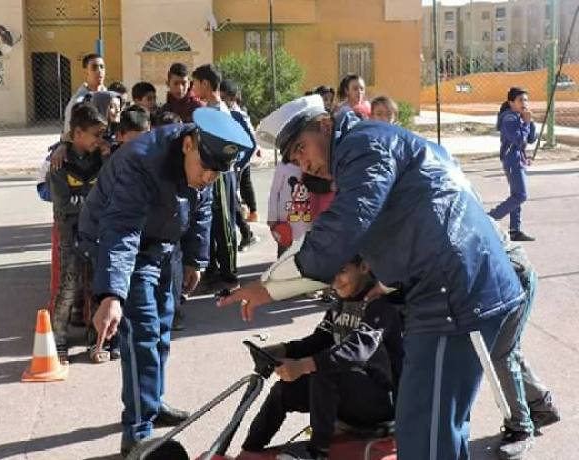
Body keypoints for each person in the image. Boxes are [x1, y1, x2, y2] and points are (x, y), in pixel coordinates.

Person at [222, 95, 524, 460]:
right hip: (454, 289)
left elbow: (343, 230)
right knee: (436, 424)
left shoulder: (363, 147)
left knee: (426, 431)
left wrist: (268, 288)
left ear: (326, 126)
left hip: (452, 296)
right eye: (295, 160)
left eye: (302, 148)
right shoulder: (374, 143)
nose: (306, 163)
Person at [78, 108, 253, 456]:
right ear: (188, 144)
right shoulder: (141, 162)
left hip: (163, 243)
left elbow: (201, 209)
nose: (207, 178)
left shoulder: (204, 163)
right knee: (141, 332)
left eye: (215, 173)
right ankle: (137, 432)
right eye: (204, 169)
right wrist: (112, 294)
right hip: (121, 244)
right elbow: (122, 229)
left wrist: (194, 260)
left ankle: (152, 403)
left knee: (161, 327)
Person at [237, 256, 403, 460]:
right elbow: (319, 340)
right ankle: (250, 449)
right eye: (331, 273)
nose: (335, 280)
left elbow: (357, 350)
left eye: (342, 271)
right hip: (348, 393)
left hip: (381, 400)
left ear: (364, 267)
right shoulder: (341, 303)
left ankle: (317, 453)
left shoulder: (381, 306)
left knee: (323, 370)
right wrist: (282, 350)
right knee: (285, 390)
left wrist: (303, 365)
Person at [490, 223, 559, 459]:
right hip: (501, 278)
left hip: (514, 278)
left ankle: (521, 429)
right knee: (507, 350)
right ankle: (541, 404)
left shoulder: (445, 214)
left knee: (501, 355)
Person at [46, 104, 107, 363]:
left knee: (95, 286)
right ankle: (58, 339)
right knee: (68, 288)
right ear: (78, 133)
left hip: (95, 235)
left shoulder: (101, 158)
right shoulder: (60, 162)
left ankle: (96, 339)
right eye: (96, 135)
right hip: (70, 235)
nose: (100, 140)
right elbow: (63, 204)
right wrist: (93, 202)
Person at [192, 65, 248, 289]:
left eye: (196, 83)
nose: (193, 88)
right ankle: (212, 270)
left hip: (221, 174)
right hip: (208, 172)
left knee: (224, 224)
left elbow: (231, 148)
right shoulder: (208, 110)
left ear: (205, 84)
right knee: (210, 220)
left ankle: (229, 275)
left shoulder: (220, 112)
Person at [488, 87, 537, 242]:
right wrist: (526, 123)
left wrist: (530, 122)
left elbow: (531, 139)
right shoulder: (509, 118)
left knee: (516, 194)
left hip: (519, 159)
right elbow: (519, 140)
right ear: (511, 102)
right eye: (520, 100)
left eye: (526, 100)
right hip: (512, 159)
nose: (524, 103)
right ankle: (490, 218)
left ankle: (514, 230)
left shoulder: (519, 116)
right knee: (520, 195)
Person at [267, 158, 334, 257]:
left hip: (307, 224)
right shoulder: (283, 167)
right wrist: (272, 217)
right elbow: (274, 193)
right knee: (284, 256)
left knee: (306, 255)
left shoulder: (313, 166)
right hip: (285, 225)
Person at [221, 79, 260, 224]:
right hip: (232, 160)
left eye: (224, 98)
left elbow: (252, 142)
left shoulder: (238, 115)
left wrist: (240, 163)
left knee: (239, 189)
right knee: (242, 186)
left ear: (232, 98)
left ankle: (246, 221)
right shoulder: (224, 112)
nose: (222, 101)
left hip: (239, 160)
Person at [63, 53, 106, 133]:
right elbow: (69, 133)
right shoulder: (78, 102)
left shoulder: (111, 97)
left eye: (102, 67)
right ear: (85, 72)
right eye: (94, 67)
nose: (99, 71)